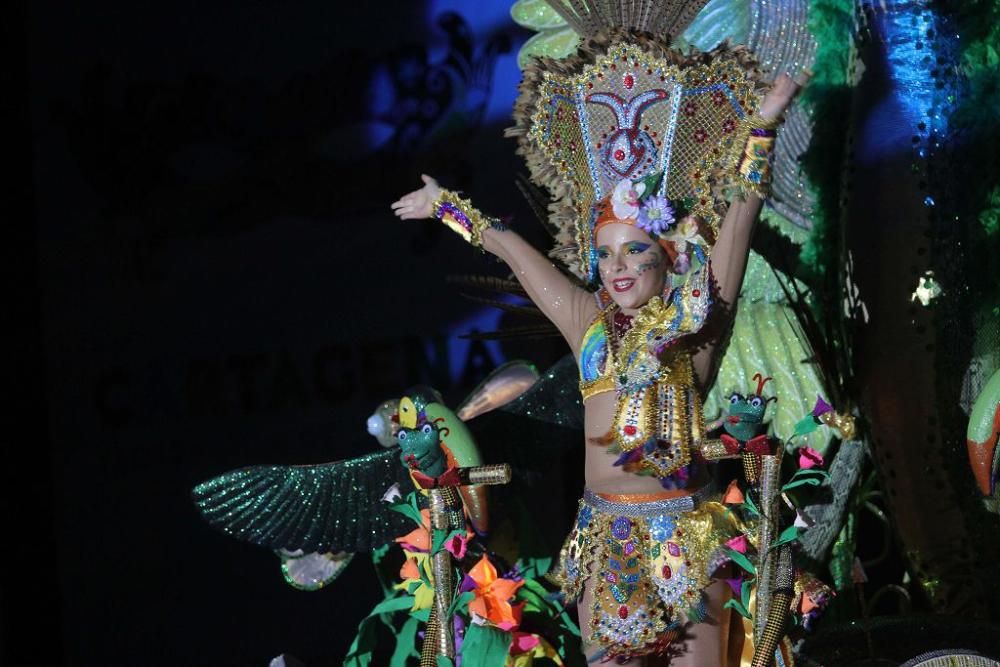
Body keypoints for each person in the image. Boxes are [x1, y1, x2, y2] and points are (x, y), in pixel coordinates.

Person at [392, 34, 806, 664]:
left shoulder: (696, 323)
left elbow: (739, 223)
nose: (616, 266)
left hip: (687, 542)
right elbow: (516, 254)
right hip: (604, 543)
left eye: (635, 249)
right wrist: (448, 206)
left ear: (668, 258)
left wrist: (766, 124)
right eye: (604, 253)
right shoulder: (587, 321)